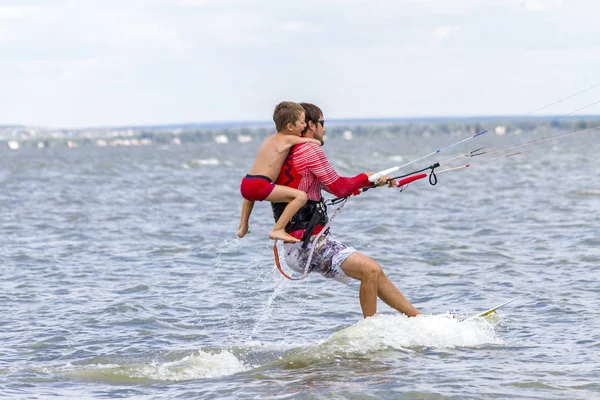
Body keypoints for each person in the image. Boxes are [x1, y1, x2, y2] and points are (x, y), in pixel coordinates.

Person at [271, 102, 422, 318]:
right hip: (307, 245)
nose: (325, 129)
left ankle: (417, 318)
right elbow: (339, 187)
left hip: (302, 245)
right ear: (311, 125)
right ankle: (370, 330)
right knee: (369, 270)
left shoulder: (288, 152)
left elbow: (327, 186)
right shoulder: (309, 148)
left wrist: (369, 181)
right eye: (322, 123)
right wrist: (365, 177)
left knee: (375, 272)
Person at [238, 101, 321, 243]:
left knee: (250, 196)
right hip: (260, 184)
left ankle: (243, 226)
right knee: (301, 197)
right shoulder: (289, 138)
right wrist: (313, 138)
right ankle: (278, 229)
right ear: (290, 126)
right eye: (301, 122)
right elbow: (315, 142)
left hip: (247, 183)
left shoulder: (270, 138)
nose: (304, 125)